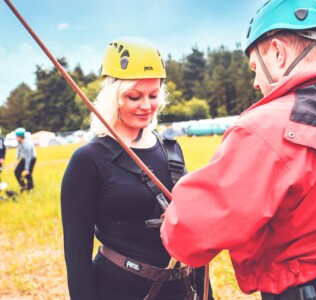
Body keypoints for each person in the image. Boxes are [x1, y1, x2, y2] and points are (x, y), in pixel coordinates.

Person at [161, 1, 316, 299]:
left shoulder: (263, 127)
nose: (255, 82)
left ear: (277, 52)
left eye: (255, 67)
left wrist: (176, 212)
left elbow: (190, 235)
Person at [61, 37, 212, 300]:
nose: (146, 106)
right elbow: (76, 257)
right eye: (134, 96)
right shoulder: (88, 160)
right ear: (113, 96)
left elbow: (190, 234)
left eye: (153, 95)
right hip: (118, 289)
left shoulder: (171, 150)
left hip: (180, 289)